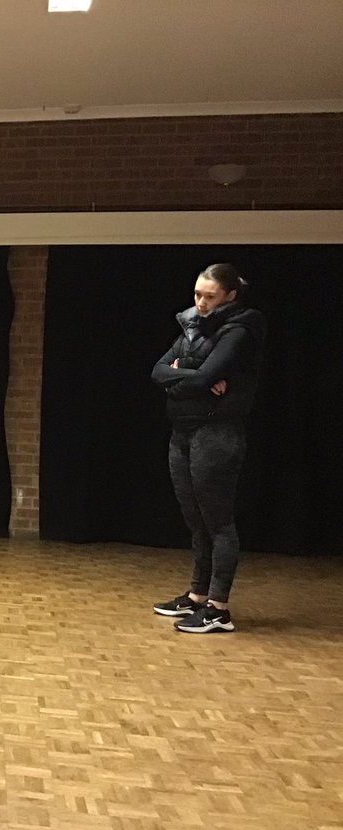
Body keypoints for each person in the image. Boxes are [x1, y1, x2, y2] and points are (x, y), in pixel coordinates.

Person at [150, 263, 266, 633]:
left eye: (209, 296)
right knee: (195, 520)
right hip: (183, 431)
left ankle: (218, 608)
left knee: (218, 522)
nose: (200, 303)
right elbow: (158, 370)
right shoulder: (193, 326)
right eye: (197, 294)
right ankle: (198, 596)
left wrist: (188, 375)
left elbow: (204, 375)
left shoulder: (241, 327)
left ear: (230, 295)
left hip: (217, 434)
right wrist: (191, 376)